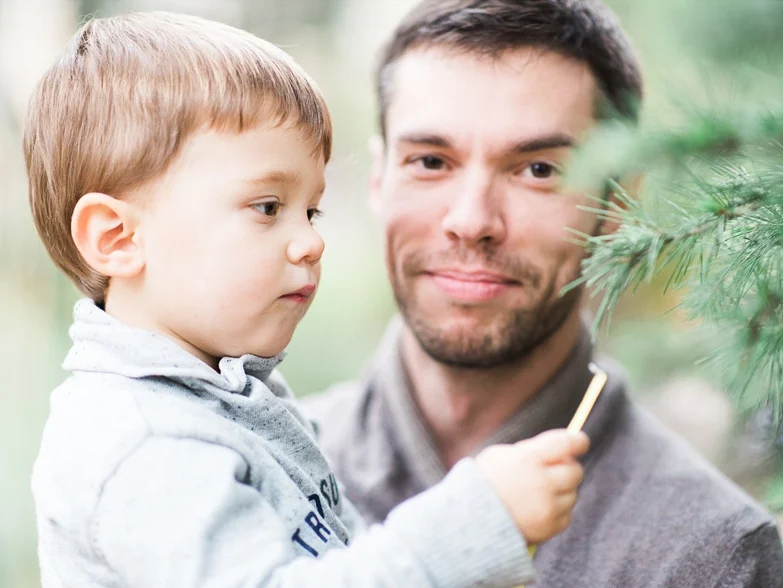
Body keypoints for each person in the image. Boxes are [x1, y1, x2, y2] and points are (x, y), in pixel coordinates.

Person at [26, 11, 592, 588]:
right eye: (268, 207)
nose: (311, 241)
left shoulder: (224, 397)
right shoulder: (143, 446)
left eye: (311, 210)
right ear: (117, 238)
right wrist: (468, 530)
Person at [305, 1, 783, 586]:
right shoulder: (237, 470)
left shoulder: (709, 554)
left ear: (618, 201)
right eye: (431, 161)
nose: (472, 219)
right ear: (380, 179)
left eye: (538, 170)